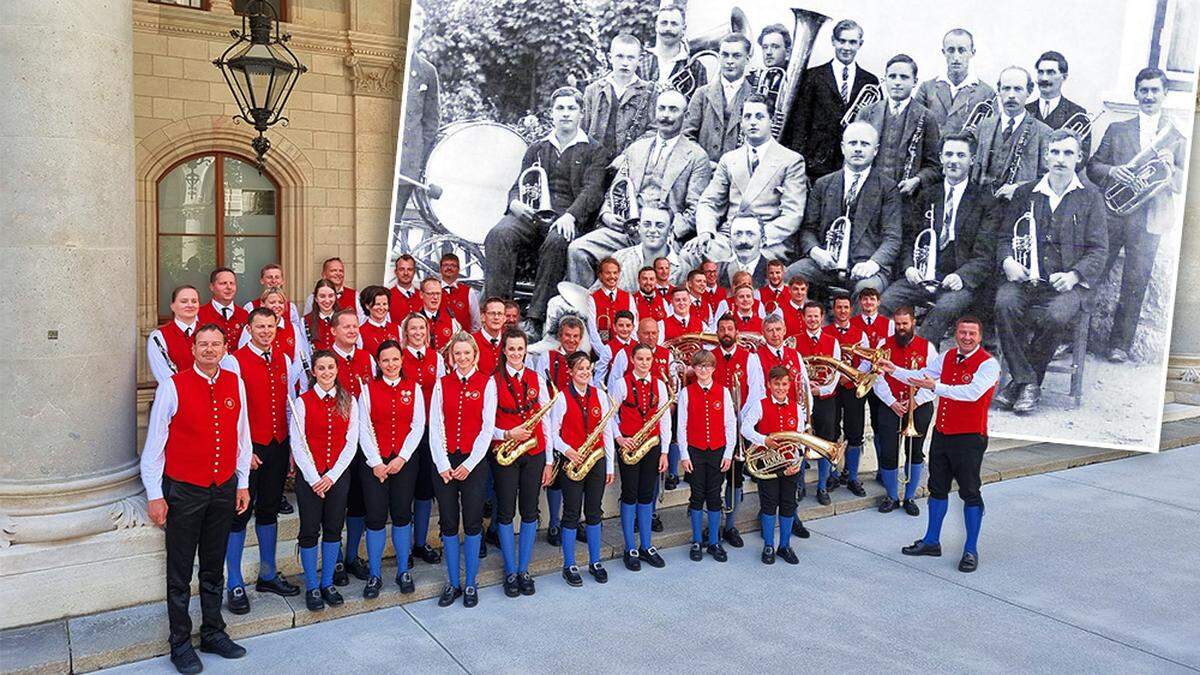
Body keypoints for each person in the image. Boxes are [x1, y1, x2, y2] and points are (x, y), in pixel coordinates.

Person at [141, 324, 251, 673]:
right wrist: (155, 494)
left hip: (222, 487)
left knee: (213, 566)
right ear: (192, 349)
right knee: (179, 570)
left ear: (224, 348)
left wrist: (242, 482)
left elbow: (241, 436)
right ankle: (179, 643)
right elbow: (155, 445)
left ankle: (214, 631)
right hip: (185, 490)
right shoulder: (173, 386)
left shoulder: (236, 382)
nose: (209, 350)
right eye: (203, 344)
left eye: (215, 344)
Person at [994, 130, 1108, 414]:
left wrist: (1074, 276)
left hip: (1068, 286)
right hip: (1026, 281)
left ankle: (1021, 384)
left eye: (1068, 153)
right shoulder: (1025, 193)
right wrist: (1008, 261)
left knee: (1055, 316)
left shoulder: (1091, 197)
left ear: (1079, 158)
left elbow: (1099, 249)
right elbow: (1004, 238)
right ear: (1046, 156)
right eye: (1055, 152)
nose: (1060, 159)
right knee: (1004, 303)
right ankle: (1028, 382)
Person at [484, 86, 608, 336]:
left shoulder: (595, 150)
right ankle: (498, 312)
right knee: (499, 234)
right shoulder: (538, 148)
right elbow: (519, 183)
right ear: (551, 113)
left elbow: (592, 191)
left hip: (569, 217)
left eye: (571, 108)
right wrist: (515, 202)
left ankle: (535, 319)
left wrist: (571, 216)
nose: (565, 114)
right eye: (560, 108)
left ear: (581, 113)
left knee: (557, 241)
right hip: (533, 215)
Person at [880, 316, 999, 573]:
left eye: (972, 334)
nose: (966, 337)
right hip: (943, 433)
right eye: (962, 332)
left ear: (980, 337)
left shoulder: (988, 365)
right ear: (956, 333)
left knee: (970, 492)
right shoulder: (946, 357)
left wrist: (936, 386)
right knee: (937, 488)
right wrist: (894, 370)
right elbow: (922, 375)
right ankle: (932, 541)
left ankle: (970, 549)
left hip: (969, 437)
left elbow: (972, 393)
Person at [1088, 67, 1187, 363]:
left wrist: (1171, 170)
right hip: (1114, 216)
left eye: (1155, 90)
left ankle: (1120, 345)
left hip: (1150, 218)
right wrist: (1114, 171)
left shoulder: (1178, 136)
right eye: (1143, 90)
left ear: (1164, 95)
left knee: (1136, 281)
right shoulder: (1118, 130)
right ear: (1135, 94)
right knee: (1094, 274)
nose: (1149, 96)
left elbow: (1186, 183)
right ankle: (1072, 336)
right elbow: (1093, 167)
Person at [567, 89, 711, 286]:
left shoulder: (696, 157)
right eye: (661, 109)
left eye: (673, 110)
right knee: (578, 249)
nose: (666, 115)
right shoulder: (637, 148)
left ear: (685, 116)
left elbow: (695, 209)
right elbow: (615, 191)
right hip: (627, 230)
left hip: (663, 234)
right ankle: (585, 309)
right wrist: (607, 215)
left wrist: (669, 232)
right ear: (655, 111)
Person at [220, 308, 303, 615]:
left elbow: (287, 404)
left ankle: (268, 574)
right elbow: (231, 411)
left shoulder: (283, 358)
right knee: (239, 513)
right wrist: (244, 450)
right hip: (250, 447)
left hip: (278, 445)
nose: (266, 331)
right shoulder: (234, 360)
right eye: (260, 326)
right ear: (249, 328)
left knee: (269, 510)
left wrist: (292, 447)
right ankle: (235, 582)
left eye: (271, 326)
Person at [881, 131, 998, 343]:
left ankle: (920, 362)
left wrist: (962, 276)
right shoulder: (927, 195)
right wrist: (909, 267)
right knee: (885, 301)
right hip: (923, 276)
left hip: (960, 281)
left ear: (972, 160)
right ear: (941, 158)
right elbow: (909, 239)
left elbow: (986, 255)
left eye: (961, 156)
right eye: (949, 155)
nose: (954, 161)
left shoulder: (985, 200)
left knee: (943, 310)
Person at [789, 121, 902, 297]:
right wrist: (816, 252)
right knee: (789, 276)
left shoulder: (888, 188)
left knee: (868, 292)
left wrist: (873, 264)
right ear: (842, 147)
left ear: (876, 150)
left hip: (866, 267)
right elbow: (808, 229)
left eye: (864, 144)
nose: (858, 149)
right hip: (825, 264)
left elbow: (893, 238)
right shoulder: (823, 184)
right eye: (852, 143)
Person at [693, 94, 807, 262]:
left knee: (746, 265)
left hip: (769, 240)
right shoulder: (729, 159)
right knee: (691, 254)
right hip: (729, 237)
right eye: (747, 117)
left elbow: (793, 215)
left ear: (772, 120)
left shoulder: (791, 160)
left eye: (759, 116)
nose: (753, 122)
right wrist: (706, 231)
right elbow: (709, 202)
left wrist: (758, 236)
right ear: (741, 122)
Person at [429, 332, 498, 607]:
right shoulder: (440, 384)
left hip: (474, 463)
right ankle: (453, 582)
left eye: (466, 353)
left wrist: (469, 464)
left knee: (471, 521)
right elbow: (435, 425)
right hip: (445, 463)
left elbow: (487, 428)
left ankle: (470, 582)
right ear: (451, 357)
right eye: (457, 353)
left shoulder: (487, 383)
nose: (462, 358)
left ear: (474, 354)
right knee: (448, 521)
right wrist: (443, 464)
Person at [290, 350, 359, 611]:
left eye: (331, 367)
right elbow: (297, 443)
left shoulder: (349, 401)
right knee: (309, 530)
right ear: (314, 372)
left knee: (333, 528)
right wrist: (314, 477)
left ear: (337, 370)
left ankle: (327, 582)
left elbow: (351, 443)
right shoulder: (303, 402)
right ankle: (311, 585)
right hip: (310, 479)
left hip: (337, 477)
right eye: (321, 368)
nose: (327, 372)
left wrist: (331, 476)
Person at [357, 340, 426, 596]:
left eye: (395, 359)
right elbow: (363, 428)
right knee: (375, 519)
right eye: (385, 360)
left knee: (401, 515)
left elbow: (417, 425)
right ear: (378, 363)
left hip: (404, 464)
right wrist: (376, 462)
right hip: (374, 465)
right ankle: (374, 575)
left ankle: (402, 571)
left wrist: (401, 458)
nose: (391, 364)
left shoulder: (414, 388)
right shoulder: (367, 390)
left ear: (402, 360)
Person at [490, 329, 554, 597]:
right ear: (504, 350)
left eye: (520, 349)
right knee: (505, 513)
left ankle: (523, 569)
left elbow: (547, 421)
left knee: (529, 512)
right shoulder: (492, 382)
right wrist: (507, 434)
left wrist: (549, 460)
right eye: (512, 349)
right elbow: (485, 426)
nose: (516, 354)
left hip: (533, 452)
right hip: (505, 451)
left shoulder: (536, 379)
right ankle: (510, 570)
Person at [548, 351, 615, 586]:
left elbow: (606, 432)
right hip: (573, 462)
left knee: (594, 511)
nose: (585, 372)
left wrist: (609, 465)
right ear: (570, 372)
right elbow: (552, 434)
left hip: (596, 460)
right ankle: (570, 564)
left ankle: (595, 562)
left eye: (588, 368)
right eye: (580, 369)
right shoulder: (562, 398)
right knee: (571, 513)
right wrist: (568, 451)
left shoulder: (600, 395)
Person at [785, 19, 879, 181]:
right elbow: (800, 125)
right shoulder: (812, 77)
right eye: (842, 41)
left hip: (853, 164)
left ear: (860, 44)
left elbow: (873, 126)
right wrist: (799, 167)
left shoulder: (870, 81)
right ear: (833, 41)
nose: (847, 47)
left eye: (852, 42)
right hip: (815, 164)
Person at [610, 343, 671, 571]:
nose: (644, 363)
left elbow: (664, 420)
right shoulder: (620, 384)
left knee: (647, 495)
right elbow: (611, 417)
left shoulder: (660, 385)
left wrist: (665, 451)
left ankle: (646, 545)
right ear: (632, 360)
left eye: (648, 359)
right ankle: (630, 548)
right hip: (629, 446)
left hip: (652, 446)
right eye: (640, 359)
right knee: (629, 494)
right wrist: (620, 439)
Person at [871, 306, 936, 515]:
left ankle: (909, 497)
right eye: (897, 324)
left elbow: (935, 381)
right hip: (891, 406)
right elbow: (877, 378)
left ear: (913, 322)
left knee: (915, 452)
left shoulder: (928, 348)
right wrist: (892, 402)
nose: (901, 328)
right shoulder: (884, 345)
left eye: (904, 324)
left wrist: (916, 401)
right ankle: (891, 496)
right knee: (889, 452)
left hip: (919, 406)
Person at [741, 366, 808, 565]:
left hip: (789, 465)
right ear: (769, 385)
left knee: (789, 505)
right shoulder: (759, 405)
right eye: (776, 384)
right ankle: (769, 545)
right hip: (767, 465)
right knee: (769, 505)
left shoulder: (797, 408)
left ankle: (785, 546)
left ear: (789, 386)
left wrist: (797, 463)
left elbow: (800, 439)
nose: (780, 388)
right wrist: (764, 440)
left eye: (784, 384)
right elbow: (745, 428)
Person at [328, 309, 376, 583]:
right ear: (333, 330)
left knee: (359, 502)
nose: (352, 330)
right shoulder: (324, 360)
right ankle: (334, 559)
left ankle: (352, 555)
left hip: (363, 443)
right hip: (334, 444)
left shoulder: (366, 358)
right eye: (345, 326)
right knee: (336, 504)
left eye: (355, 326)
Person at [855, 53, 941, 197]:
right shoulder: (867, 113)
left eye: (904, 77)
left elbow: (935, 166)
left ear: (915, 81)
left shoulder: (927, 117)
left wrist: (917, 180)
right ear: (885, 79)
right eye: (892, 76)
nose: (897, 82)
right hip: (867, 194)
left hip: (905, 198)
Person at [677, 349, 735, 562]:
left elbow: (730, 424)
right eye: (700, 366)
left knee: (714, 495)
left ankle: (713, 541)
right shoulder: (686, 393)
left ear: (713, 368)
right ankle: (696, 541)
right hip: (695, 451)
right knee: (696, 495)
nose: (704, 370)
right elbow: (681, 426)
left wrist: (728, 452)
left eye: (708, 366)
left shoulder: (723, 392)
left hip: (717, 451)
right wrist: (684, 454)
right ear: (694, 368)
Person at [398, 313, 445, 567]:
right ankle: (404, 546)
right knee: (406, 489)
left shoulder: (436, 358)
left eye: (421, 328)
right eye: (412, 328)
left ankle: (420, 542)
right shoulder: (398, 357)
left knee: (425, 489)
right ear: (406, 333)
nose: (417, 332)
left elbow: (440, 393)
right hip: (404, 432)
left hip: (429, 429)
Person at [533, 316, 584, 545]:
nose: (571, 340)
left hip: (576, 423)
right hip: (554, 421)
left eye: (575, 337)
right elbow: (541, 388)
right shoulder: (548, 357)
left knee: (577, 475)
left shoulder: (583, 359)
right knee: (556, 479)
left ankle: (572, 521)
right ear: (560, 336)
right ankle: (554, 523)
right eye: (567, 335)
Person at [972, 67, 1051, 200]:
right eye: (1006, 88)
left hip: (1018, 208)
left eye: (1018, 89)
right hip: (981, 207)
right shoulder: (983, 126)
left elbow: (1049, 178)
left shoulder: (1044, 133)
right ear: (999, 91)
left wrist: (1021, 189)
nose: (1011, 95)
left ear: (1029, 92)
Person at [821, 295, 872, 502]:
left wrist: (850, 374)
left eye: (846, 307)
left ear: (851, 310)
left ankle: (852, 477)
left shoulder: (861, 334)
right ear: (833, 310)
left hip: (852, 387)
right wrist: (836, 377)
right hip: (832, 388)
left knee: (855, 431)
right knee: (831, 431)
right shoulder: (825, 333)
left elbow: (867, 362)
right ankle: (832, 475)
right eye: (838, 307)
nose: (842, 311)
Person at [393, 1, 439, 223]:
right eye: (410, 25)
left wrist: (418, 158)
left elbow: (431, 123)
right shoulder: (384, 62)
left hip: (408, 165)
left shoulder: (427, 71)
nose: (413, 32)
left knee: (394, 223)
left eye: (418, 28)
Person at [793, 302, 841, 499]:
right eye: (809, 316)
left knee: (825, 441)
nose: (812, 320)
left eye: (816, 316)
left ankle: (822, 485)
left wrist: (820, 389)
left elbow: (836, 373)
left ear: (822, 318)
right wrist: (804, 389)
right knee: (801, 440)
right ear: (803, 318)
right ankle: (800, 484)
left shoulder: (832, 341)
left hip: (825, 399)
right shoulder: (794, 341)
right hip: (801, 401)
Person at [683, 32, 755, 163]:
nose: (729, 61)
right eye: (725, 55)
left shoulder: (755, 97)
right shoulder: (702, 94)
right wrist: (703, 162)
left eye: (736, 56)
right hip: (703, 170)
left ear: (748, 60)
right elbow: (686, 135)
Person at [913, 28, 997, 136]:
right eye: (951, 50)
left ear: (972, 52)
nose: (956, 57)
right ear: (944, 52)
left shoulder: (986, 92)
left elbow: (991, 135)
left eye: (962, 50)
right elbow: (914, 128)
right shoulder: (927, 88)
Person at [583, 33, 656, 155]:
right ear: (610, 58)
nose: (625, 63)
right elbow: (583, 128)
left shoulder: (649, 92)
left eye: (631, 57)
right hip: (594, 163)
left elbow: (654, 131)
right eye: (620, 56)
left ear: (639, 60)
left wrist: (628, 155)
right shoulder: (593, 90)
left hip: (633, 162)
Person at [1027, 51, 1092, 162]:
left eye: (1050, 72)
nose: (1044, 78)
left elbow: (1081, 157)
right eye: (1040, 72)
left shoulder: (1077, 114)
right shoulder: (1025, 110)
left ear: (1064, 77)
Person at [637, 3, 706, 98]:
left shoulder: (695, 67)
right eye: (664, 23)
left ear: (684, 29)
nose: (668, 28)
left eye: (674, 24)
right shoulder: (640, 61)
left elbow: (700, 106)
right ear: (656, 27)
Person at [148, 285, 201, 385]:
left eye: (194, 301)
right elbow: (163, 375)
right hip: (176, 395)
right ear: (172, 306)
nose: (190, 305)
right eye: (184, 301)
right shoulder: (158, 336)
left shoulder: (211, 332)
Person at [587, 258, 637, 348]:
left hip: (626, 351)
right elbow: (592, 331)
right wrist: (604, 354)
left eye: (615, 273)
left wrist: (629, 350)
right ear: (600, 275)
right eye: (608, 273)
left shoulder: (628, 297)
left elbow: (634, 327)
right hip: (601, 352)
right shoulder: (593, 299)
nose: (612, 276)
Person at [198, 267, 250, 347]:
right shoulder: (199, 314)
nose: (229, 287)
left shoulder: (244, 315)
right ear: (212, 287)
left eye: (232, 283)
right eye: (223, 283)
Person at [242, 263, 302, 328]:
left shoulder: (291, 308)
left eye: (277, 277)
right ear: (262, 280)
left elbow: (295, 332)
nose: (273, 281)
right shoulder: (250, 307)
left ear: (282, 281)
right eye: (269, 277)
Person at [418, 276, 461, 352]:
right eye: (431, 293)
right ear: (421, 294)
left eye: (438, 293)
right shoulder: (412, 321)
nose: (435, 297)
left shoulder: (452, 321)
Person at [595, 310, 636, 389]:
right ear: (614, 327)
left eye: (628, 325)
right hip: (615, 390)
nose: (624, 329)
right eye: (621, 325)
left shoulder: (637, 346)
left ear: (633, 327)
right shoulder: (608, 349)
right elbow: (599, 376)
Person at [439, 253, 480, 332]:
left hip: (462, 342)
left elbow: (476, 324)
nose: (449, 268)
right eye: (445, 265)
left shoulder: (468, 292)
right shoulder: (433, 291)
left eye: (453, 265)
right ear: (440, 269)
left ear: (458, 269)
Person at [358, 285, 401, 359]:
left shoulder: (397, 329)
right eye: (377, 304)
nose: (381, 308)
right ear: (367, 306)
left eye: (384, 304)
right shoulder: (360, 332)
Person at [472, 297, 507, 375]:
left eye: (500, 314)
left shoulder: (510, 340)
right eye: (492, 313)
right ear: (483, 317)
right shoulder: (471, 341)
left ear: (504, 318)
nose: (496, 317)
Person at [303, 279, 339, 354]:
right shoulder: (305, 321)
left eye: (331, 296)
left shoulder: (345, 318)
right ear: (316, 298)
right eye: (322, 296)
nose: (327, 300)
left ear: (335, 297)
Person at [389, 254, 424, 323]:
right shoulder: (387, 296)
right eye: (402, 269)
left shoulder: (423, 296)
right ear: (396, 272)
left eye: (409, 269)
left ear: (414, 272)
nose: (406, 273)